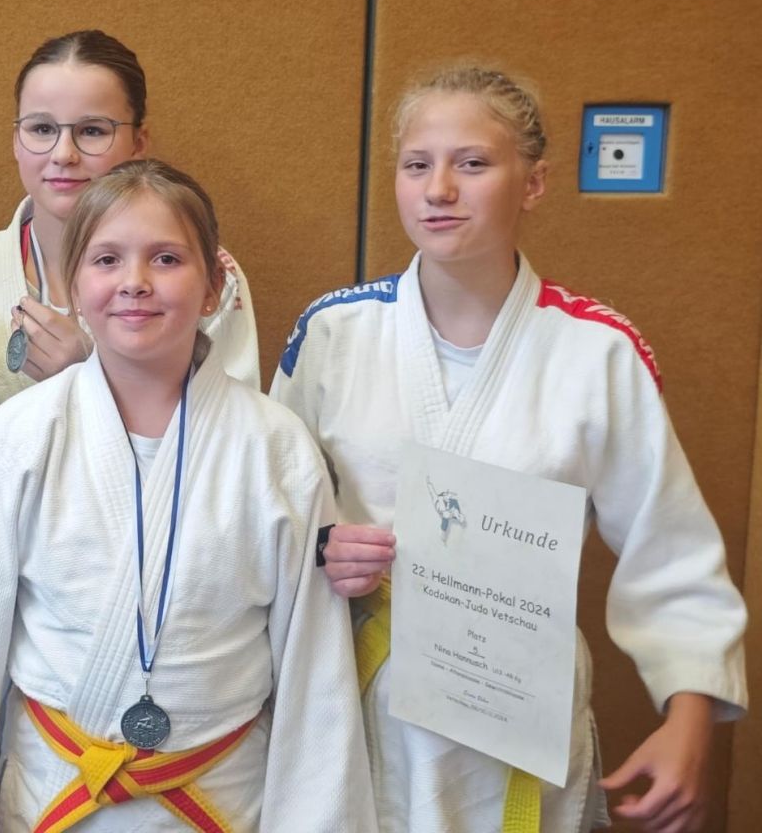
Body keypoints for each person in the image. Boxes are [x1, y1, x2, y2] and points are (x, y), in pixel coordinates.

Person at [271, 66, 748, 833]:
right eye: (416, 164)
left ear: (533, 183)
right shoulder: (333, 334)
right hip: (357, 700)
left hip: (516, 704)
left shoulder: (596, 353)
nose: (437, 190)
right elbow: (270, 515)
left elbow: (670, 551)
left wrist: (688, 714)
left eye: (471, 163)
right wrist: (325, 549)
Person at [0, 159, 375, 832]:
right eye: (107, 259)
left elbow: (315, 676)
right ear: (74, 285)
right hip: (55, 799)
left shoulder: (277, 450)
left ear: (214, 287)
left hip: (222, 803)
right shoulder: (18, 438)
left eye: (166, 259)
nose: (135, 282)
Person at [0, 30, 260, 406]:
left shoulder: (203, 274)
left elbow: (234, 426)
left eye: (92, 131)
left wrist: (93, 374)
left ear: (138, 143)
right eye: (42, 129)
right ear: (15, 142)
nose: (63, 154)